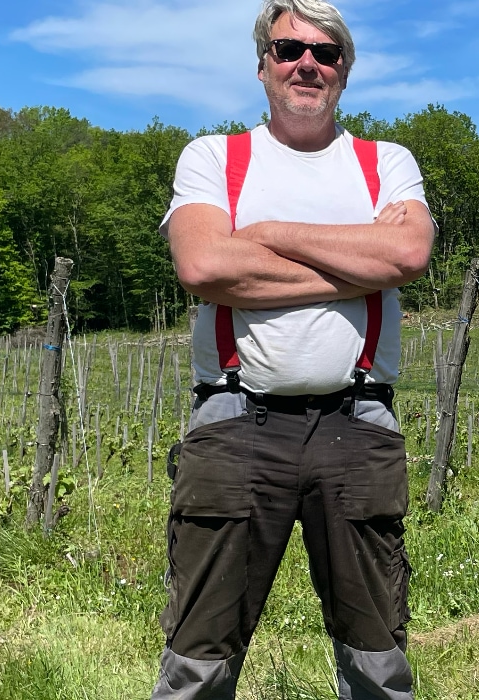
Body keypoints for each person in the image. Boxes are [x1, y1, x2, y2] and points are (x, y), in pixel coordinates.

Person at [152, 1, 433, 698]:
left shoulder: (384, 162)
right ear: (262, 66)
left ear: (345, 71)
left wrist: (269, 232)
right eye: (288, 49)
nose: (307, 63)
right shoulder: (215, 157)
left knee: (375, 646)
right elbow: (205, 270)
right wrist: (351, 266)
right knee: (200, 648)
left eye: (326, 52)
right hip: (234, 421)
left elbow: (407, 251)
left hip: (357, 424)